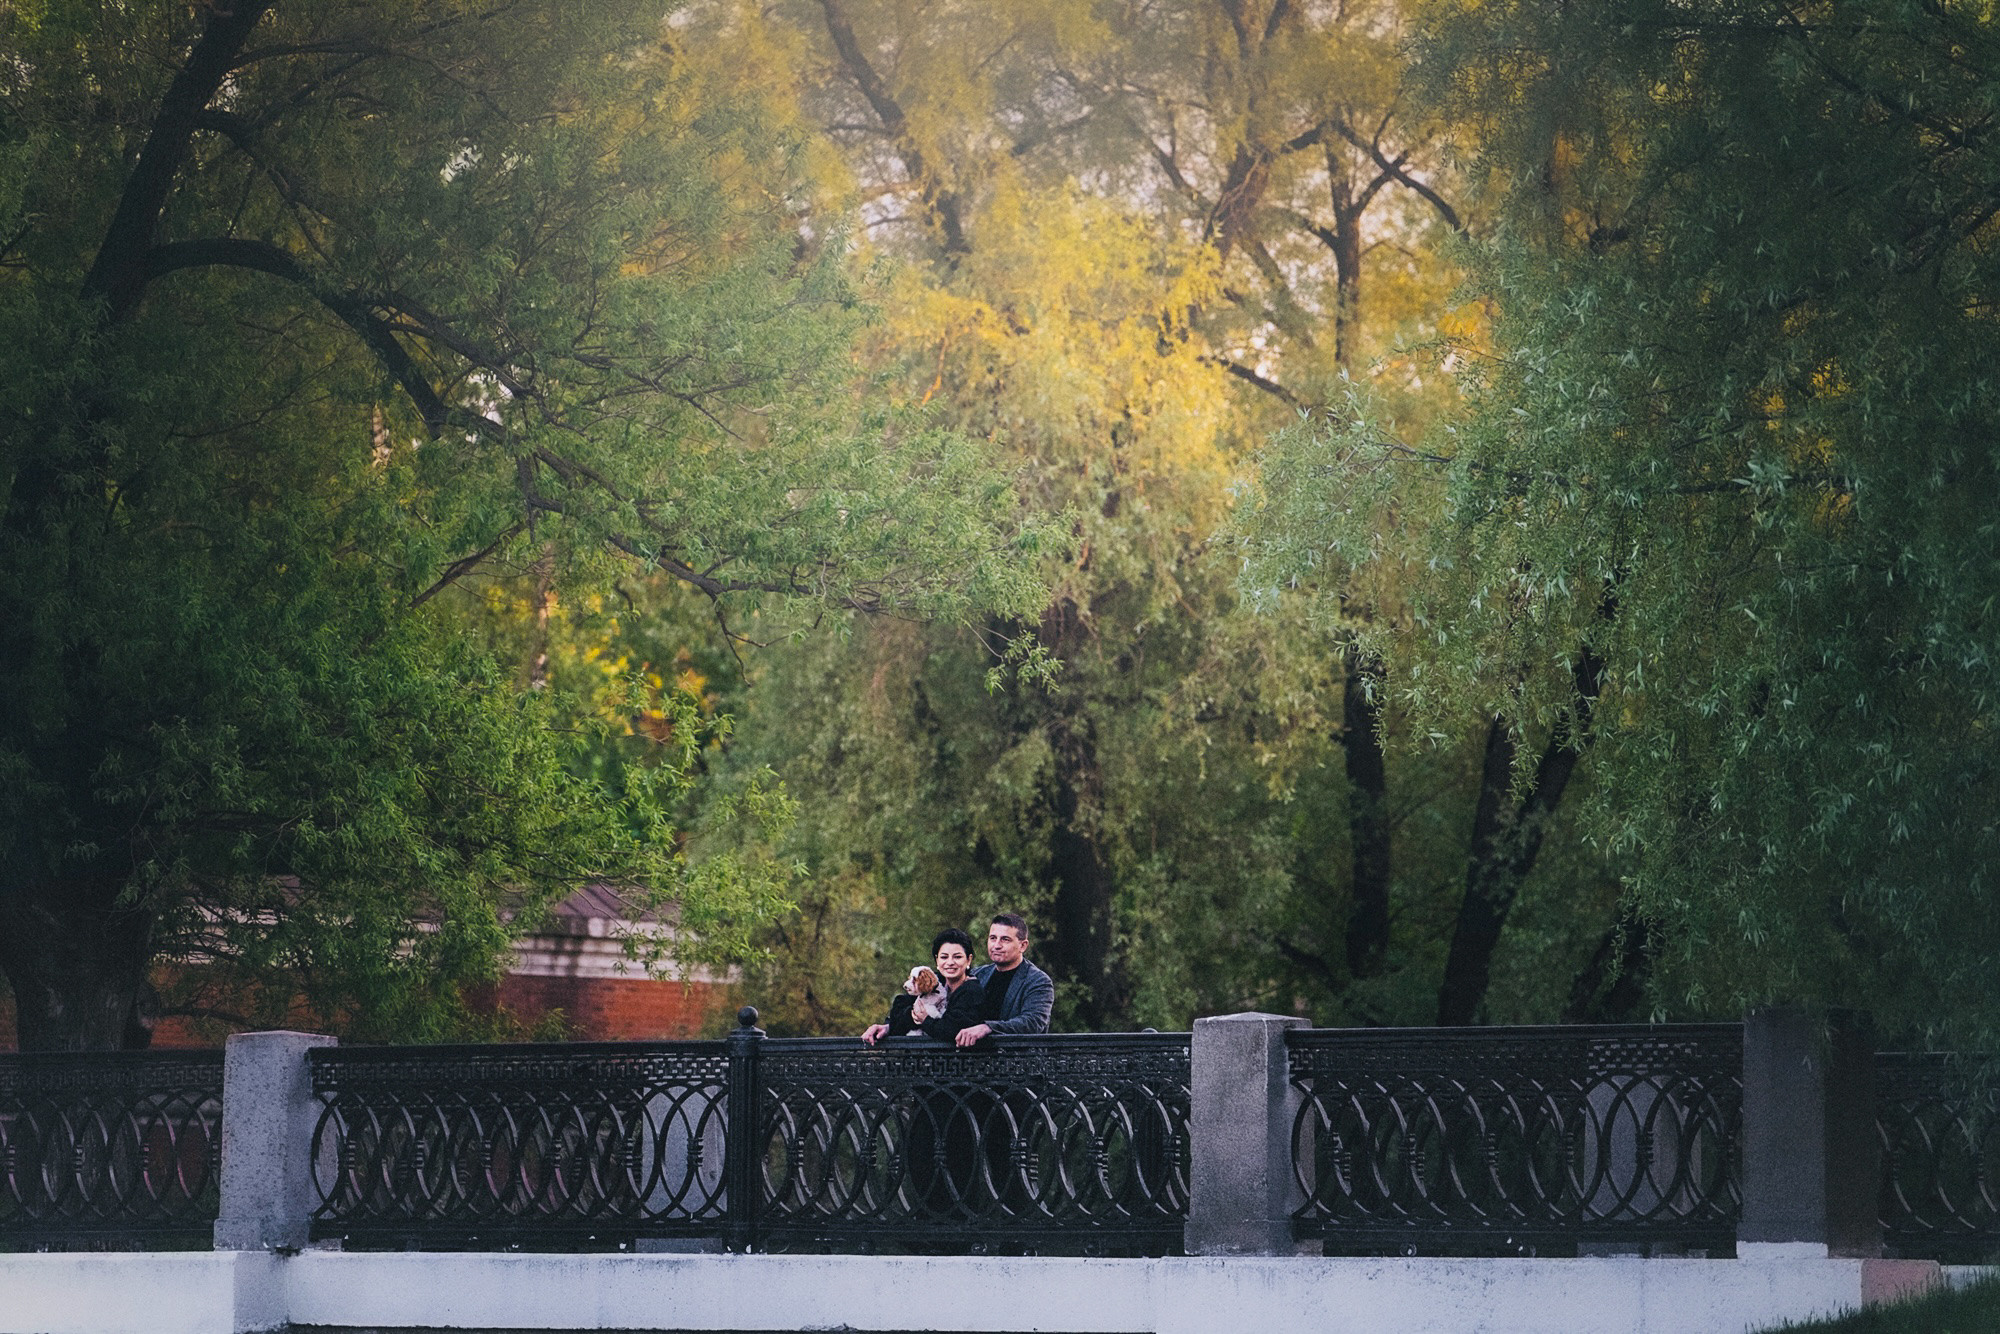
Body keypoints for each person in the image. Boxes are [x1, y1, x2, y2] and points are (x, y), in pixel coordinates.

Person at [859, 927, 985, 1046]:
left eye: (957, 957)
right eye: (944, 957)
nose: (950, 963)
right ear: (937, 961)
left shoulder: (972, 991)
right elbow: (898, 1009)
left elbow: (952, 1030)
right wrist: (911, 1016)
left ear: (968, 960)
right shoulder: (932, 982)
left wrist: (925, 1020)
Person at [953, 912, 1054, 1048]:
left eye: (1005, 939)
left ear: (1023, 946)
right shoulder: (977, 974)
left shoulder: (1038, 981)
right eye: (993, 938)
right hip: (975, 1061)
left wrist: (987, 1027)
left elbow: (1032, 1022)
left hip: (1018, 1062)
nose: (996, 945)